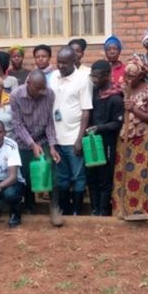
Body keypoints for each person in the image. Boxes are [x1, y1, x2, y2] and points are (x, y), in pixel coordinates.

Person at [10, 69, 63, 226]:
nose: (42, 92)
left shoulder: (49, 94)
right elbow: (17, 125)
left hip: (43, 139)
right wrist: (31, 144)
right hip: (23, 141)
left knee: (50, 169)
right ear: (28, 83)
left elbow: (49, 122)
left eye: (43, 88)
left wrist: (52, 145)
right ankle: (29, 205)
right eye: (38, 88)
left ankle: (54, 207)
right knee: (26, 174)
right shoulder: (16, 96)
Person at [49, 46, 93, 215]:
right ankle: (65, 210)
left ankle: (77, 211)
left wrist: (79, 139)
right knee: (62, 178)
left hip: (73, 138)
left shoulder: (82, 80)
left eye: (64, 63)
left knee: (78, 177)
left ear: (74, 61)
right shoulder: (53, 77)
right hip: (56, 139)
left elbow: (86, 111)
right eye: (58, 62)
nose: (60, 65)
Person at [112, 57, 148, 219]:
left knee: (139, 175)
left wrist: (133, 109)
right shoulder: (123, 88)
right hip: (124, 138)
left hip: (141, 138)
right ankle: (120, 210)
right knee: (122, 175)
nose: (128, 79)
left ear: (141, 75)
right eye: (126, 75)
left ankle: (138, 211)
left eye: (132, 76)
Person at [86, 60, 123, 216]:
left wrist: (100, 128)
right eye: (92, 76)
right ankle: (94, 210)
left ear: (107, 76)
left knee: (104, 178)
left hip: (107, 143)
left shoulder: (115, 98)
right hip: (91, 141)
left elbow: (117, 123)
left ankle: (103, 211)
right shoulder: (93, 93)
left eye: (97, 77)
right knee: (91, 177)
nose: (94, 80)